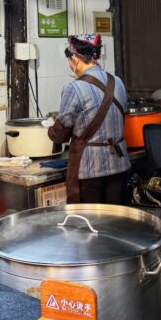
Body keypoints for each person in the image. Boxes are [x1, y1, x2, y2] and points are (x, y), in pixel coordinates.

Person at [47, 34, 130, 204]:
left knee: (90, 223)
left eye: (69, 61)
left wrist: (50, 130)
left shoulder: (74, 88)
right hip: (119, 165)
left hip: (90, 169)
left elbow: (61, 134)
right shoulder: (118, 82)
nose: (70, 66)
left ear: (75, 59)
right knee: (116, 222)